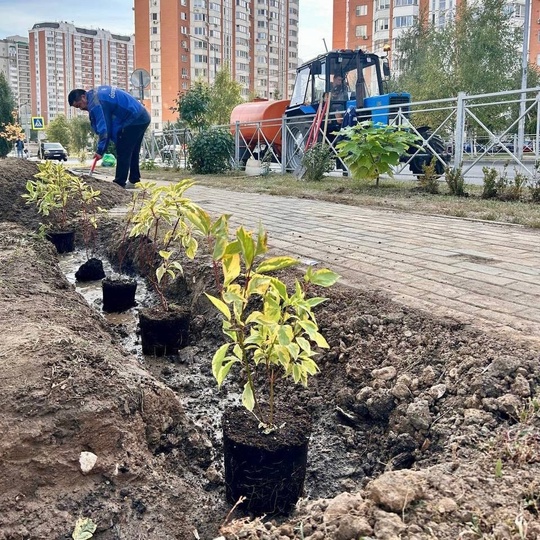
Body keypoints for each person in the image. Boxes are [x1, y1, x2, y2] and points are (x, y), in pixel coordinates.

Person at [68, 86, 150, 189]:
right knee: (132, 150)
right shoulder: (96, 93)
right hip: (142, 116)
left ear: (83, 97)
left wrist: (100, 150)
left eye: (79, 105)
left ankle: (119, 184)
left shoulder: (95, 103)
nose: (81, 108)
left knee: (123, 149)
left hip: (134, 118)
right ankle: (134, 180)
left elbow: (104, 128)